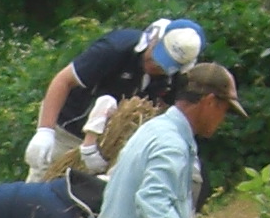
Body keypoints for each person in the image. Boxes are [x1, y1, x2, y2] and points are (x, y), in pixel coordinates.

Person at [96, 60, 245, 218]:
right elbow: (153, 201)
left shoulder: (155, 128)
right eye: (224, 110)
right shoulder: (171, 144)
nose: (222, 119)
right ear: (210, 102)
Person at [31, 17, 203, 181]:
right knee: (40, 191)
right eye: (156, 57)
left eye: (164, 66)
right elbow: (63, 81)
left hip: (108, 147)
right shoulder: (115, 49)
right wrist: (45, 132)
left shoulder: (171, 79)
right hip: (67, 130)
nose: (156, 66)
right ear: (152, 40)